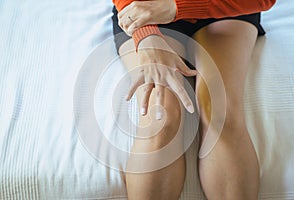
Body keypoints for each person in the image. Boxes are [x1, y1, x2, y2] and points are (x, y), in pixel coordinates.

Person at [111, 0, 276, 199]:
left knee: (220, 113)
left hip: (227, 8)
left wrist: (177, 8)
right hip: (145, 9)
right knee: (159, 117)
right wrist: (144, 33)